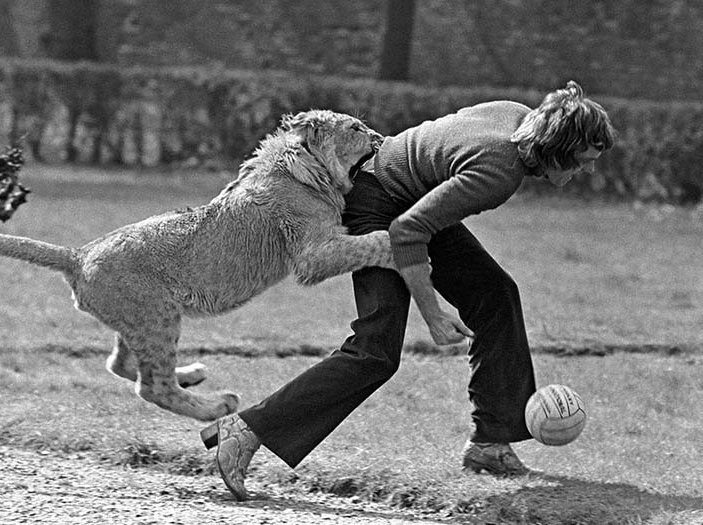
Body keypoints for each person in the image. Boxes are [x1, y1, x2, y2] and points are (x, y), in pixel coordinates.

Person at [200, 80, 617, 500]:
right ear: (558, 146)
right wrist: (433, 314)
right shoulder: (500, 170)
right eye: (583, 160)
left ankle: (491, 444)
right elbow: (408, 232)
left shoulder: (514, 114)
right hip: (377, 204)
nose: (587, 169)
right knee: (375, 351)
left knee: (495, 294)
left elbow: (424, 195)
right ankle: (247, 430)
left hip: (403, 196)